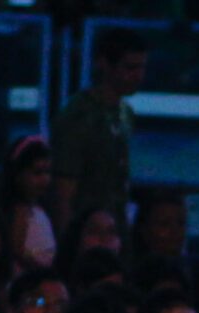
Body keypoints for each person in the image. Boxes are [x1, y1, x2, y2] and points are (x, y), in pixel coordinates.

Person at [52, 29, 144, 231]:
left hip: (113, 226)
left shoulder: (125, 113)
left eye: (141, 68)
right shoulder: (79, 116)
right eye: (130, 67)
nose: (138, 76)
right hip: (86, 228)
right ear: (104, 64)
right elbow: (63, 193)